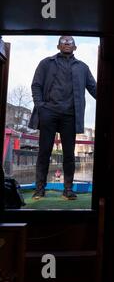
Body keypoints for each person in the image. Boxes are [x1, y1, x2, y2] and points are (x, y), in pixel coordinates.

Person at [28, 36, 96, 200]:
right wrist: (41, 106)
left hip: (70, 115)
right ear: (58, 45)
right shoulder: (46, 63)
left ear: (75, 47)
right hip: (48, 112)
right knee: (44, 151)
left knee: (69, 155)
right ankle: (39, 189)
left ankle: (68, 189)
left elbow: (94, 88)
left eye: (70, 41)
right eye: (63, 41)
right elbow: (36, 85)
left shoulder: (83, 68)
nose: (66, 43)